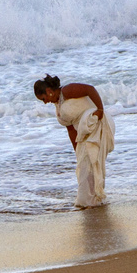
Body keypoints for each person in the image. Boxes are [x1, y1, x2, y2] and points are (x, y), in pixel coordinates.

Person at [34, 74, 113, 208]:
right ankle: (93, 200)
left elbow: (90, 89)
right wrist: (76, 149)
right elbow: (71, 129)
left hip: (95, 123)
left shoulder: (67, 91)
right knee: (85, 165)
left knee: (92, 162)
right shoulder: (58, 106)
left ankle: (90, 202)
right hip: (83, 133)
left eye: (43, 98)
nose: (45, 102)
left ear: (48, 91)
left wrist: (100, 110)